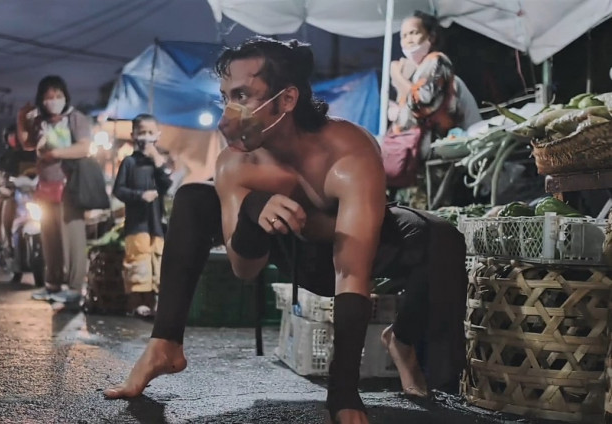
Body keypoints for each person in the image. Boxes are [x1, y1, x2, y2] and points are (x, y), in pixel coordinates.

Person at [103, 38, 468, 424]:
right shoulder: (235, 163)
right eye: (225, 95)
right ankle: (164, 346)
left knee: (442, 237)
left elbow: (351, 271)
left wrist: (343, 392)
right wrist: (252, 212)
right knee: (194, 196)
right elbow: (245, 269)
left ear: (287, 99)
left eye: (243, 94)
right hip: (290, 251)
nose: (230, 110)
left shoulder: (349, 151)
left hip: (350, 251)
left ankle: (403, 339)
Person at [388, 11, 481, 207]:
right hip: (412, 163)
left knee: (431, 219)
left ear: (430, 36)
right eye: (403, 36)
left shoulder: (437, 61)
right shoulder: (418, 70)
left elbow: (422, 103)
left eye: (414, 32)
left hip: (434, 163)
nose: (408, 40)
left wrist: (398, 77)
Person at [17, 75, 91, 308]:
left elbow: (84, 147)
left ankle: (75, 287)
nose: (53, 101)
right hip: (46, 186)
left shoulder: (76, 119)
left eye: (58, 96)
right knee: (50, 236)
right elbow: (28, 143)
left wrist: (56, 154)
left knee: (73, 237)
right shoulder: (40, 121)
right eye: (48, 97)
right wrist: (22, 119)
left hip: (70, 185)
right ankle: (53, 283)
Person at [112, 114, 172, 318]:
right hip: (136, 223)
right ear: (133, 135)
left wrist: (157, 159)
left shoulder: (160, 161)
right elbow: (118, 190)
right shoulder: (129, 162)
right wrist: (139, 196)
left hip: (157, 223)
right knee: (138, 261)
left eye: (150, 132)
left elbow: (167, 184)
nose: (146, 136)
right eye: (142, 132)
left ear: (158, 135)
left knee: (158, 261)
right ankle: (138, 303)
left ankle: (156, 302)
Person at [0, 124, 36, 254]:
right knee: (0, 201)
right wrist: (10, 192)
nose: (16, 138)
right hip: (13, 194)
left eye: (18, 135)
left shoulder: (34, 154)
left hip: (34, 192)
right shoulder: (2, 159)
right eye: (12, 135)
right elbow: (0, 184)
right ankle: (1, 238)